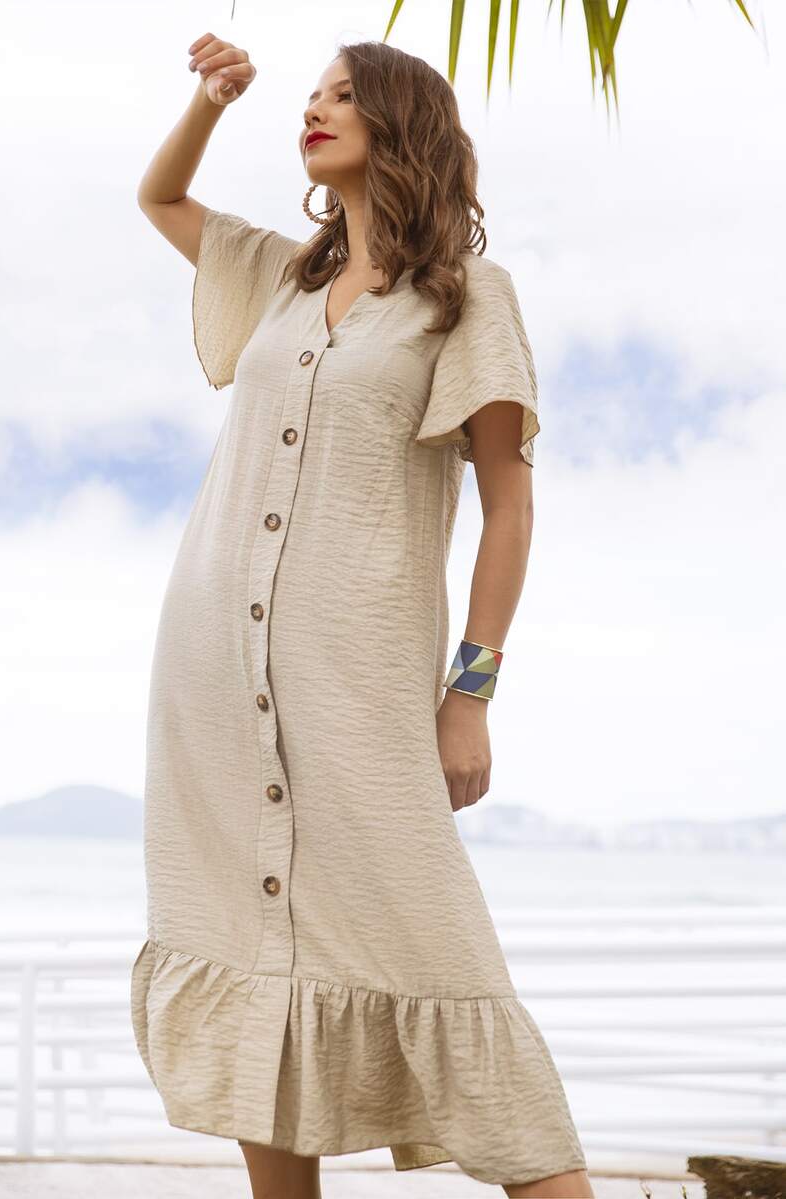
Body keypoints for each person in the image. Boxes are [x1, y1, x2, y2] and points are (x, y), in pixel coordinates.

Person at [130, 31, 594, 1199]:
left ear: (401, 122)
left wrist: (470, 691)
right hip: (210, 676)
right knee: (245, 959)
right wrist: (211, 100)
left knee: (444, 953)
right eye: (312, 94)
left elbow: (508, 507)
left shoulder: (467, 298)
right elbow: (161, 196)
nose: (316, 107)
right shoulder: (279, 276)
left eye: (344, 94)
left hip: (361, 682)